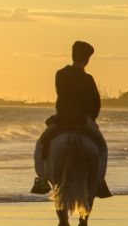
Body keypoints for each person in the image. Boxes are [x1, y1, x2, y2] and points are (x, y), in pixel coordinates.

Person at [31, 41, 111, 198]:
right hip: (82, 120)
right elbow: (96, 103)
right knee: (102, 148)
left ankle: (41, 180)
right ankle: (100, 182)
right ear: (87, 59)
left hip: (62, 118)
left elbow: (60, 95)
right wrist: (91, 118)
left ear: (72, 56)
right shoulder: (88, 78)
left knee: (41, 144)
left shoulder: (60, 74)